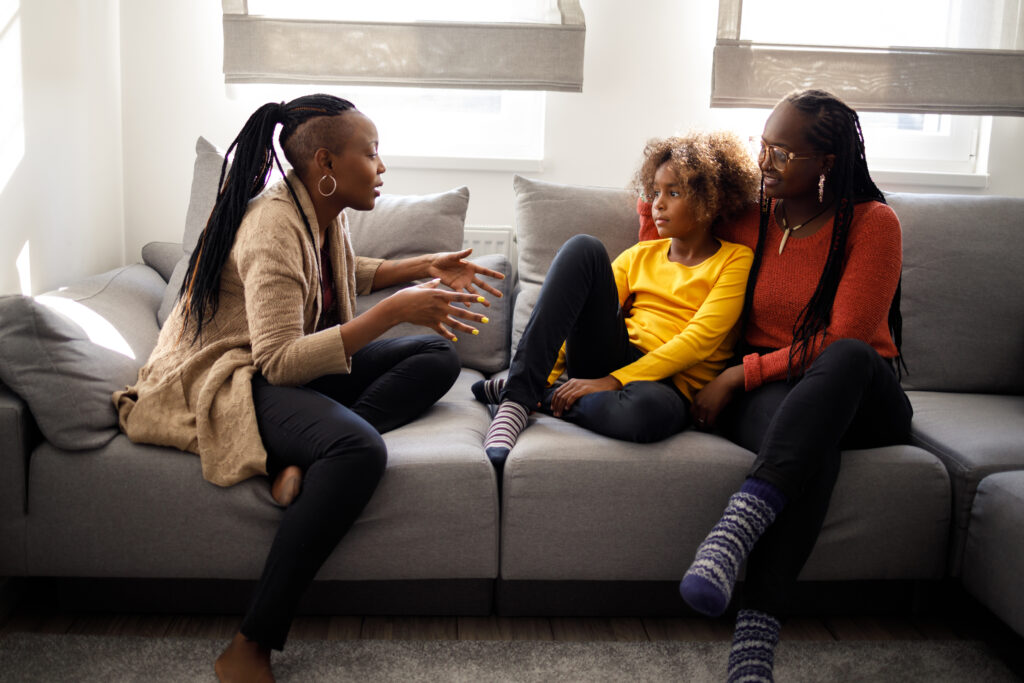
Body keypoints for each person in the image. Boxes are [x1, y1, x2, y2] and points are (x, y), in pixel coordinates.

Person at [112, 94, 504, 682]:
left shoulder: (319, 212)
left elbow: (343, 272)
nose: (382, 167)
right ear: (325, 162)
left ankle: (299, 455)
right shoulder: (273, 226)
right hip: (229, 376)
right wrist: (392, 311)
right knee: (358, 450)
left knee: (433, 356)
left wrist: (422, 266)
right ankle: (249, 642)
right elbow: (276, 363)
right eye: (371, 153)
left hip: (283, 369)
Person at [674, 89, 912, 683]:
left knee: (850, 355)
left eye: (784, 153)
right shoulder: (750, 215)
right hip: (781, 398)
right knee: (812, 454)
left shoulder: (871, 223)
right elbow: (664, 217)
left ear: (827, 163)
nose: (767, 163)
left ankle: (737, 526)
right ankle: (753, 647)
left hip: (859, 390)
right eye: (764, 146)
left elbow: (844, 339)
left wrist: (738, 373)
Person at [473, 131, 758, 478]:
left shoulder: (735, 260)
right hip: (612, 354)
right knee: (584, 248)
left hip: (670, 385)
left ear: (709, 200)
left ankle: (538, 394)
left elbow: (699, 341)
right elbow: (573, 313)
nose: (658, 204)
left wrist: (615, 381)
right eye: (655, 192)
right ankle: (519, 398)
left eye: (674, 192)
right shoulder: (641, 254)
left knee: (643, 417)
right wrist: (545, 373)